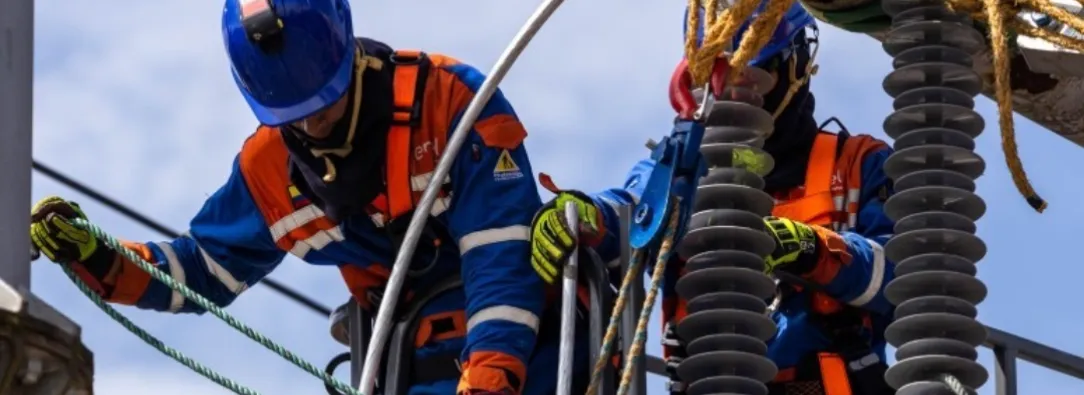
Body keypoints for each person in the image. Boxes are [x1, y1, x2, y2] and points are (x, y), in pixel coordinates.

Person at [29, 0, 587, 394]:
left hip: (535, 354)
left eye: (323, 104)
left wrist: (490, 377)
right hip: (408, 365)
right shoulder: (269, 172)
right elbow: (198, 271)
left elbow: (500, 255)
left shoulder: (448, 103)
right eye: (292, 115)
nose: (312, 125)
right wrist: (98, 256)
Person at [528, 3, 898, 395]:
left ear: (797, 67)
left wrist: (811, 249)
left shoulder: (857, 164)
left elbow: (903, 275)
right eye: (721, 81)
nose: (738, 97)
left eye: (756, 79)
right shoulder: (681, 170)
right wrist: (585, 215)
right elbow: (631, 211)